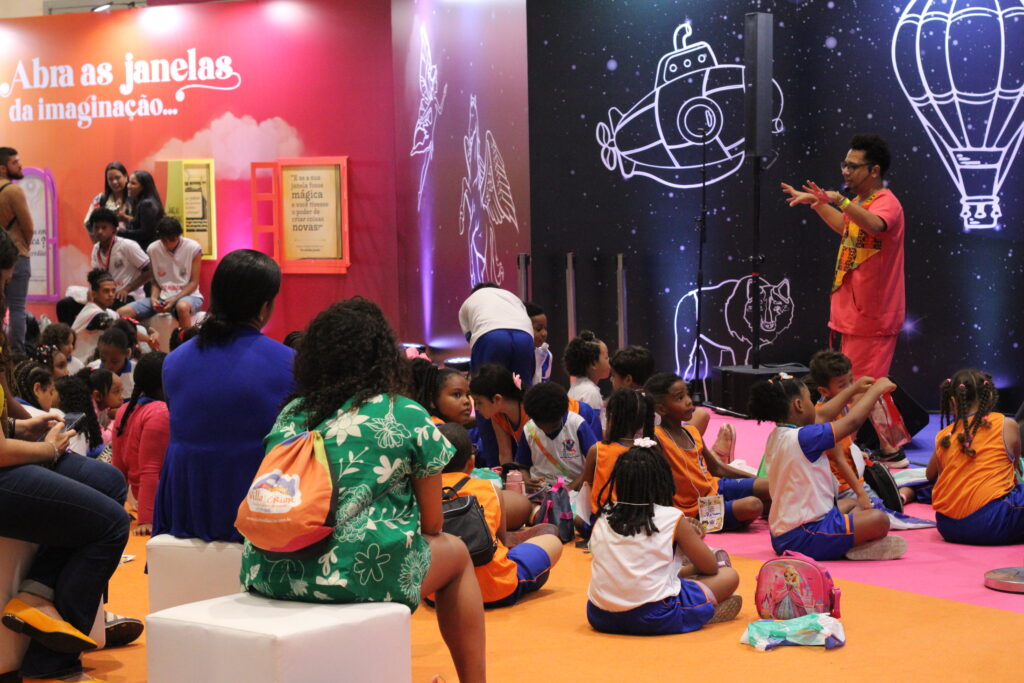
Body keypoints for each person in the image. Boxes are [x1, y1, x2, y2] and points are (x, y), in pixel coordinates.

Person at [240, 297, 486, 683]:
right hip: (353, 573)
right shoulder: (403, 412)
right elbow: (434, 523)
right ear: (384, 356)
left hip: (267, 568)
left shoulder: (294, 411)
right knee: (456, 555)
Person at [0, 222, 131, 683]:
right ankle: (53, 658)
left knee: (110, 482)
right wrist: (43, 448)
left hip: (12, 450)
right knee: (112, 525)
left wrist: (31, 421)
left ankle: (40, 595)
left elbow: (2, 408)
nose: (9, 290)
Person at [781, 133, 907, 466]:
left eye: (853, 166)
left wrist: (841, 200)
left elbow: (877, 226)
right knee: (863, 386)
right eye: (844, 165)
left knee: (857, 386)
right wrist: (819, 203)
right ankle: (891, 449)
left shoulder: (886, 202)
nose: (846, 171)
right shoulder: (860, 202)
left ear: (874, 170)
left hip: (873, 316)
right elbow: (848, 228)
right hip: (850, 313)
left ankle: (867, 450)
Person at [152, 249, 293, 543]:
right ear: (265, 306)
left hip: (185, 510)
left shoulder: (173, 362)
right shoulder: (289, 363)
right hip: (260, 512)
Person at [586, 445, 742, 635]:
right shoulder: (671, 516)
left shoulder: (606, 513)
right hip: (653, 617)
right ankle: (703, 611)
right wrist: (691, 545)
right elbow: (710, 568)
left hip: (600, 615)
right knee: (729, 576)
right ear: (664, 481)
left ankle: (696, 600)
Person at [748, 373, 907, 560]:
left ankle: (849, 541)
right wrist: (876, 390)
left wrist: (853, 390)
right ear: (799, 405)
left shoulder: (780, 434)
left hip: (787, 534)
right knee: (879, 520)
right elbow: (852, 422)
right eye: (809, 400)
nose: (814, 407)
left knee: (852, 503)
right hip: (804, 536)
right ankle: (850, 546)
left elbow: (822, 414)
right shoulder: (805, 437)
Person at [436, 423, 562, 608]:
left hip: (438, 595)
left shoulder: (418, 494)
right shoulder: (489, 488)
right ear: (471, 463)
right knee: (552, 541)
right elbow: (502, 541)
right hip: (496, 590)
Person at [646, 373, 770, 531]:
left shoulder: (691, 431)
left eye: (687, 394)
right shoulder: (656, 438)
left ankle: (739, 512)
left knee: (769, 486)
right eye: (679, 398)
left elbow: (717, 468)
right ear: (662, 409)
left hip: (715, 487)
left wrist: (755, 481)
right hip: (694, 509)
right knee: (753, 505)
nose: (689, 400)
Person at [927, 369, 1023, 545]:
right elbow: (1016, 469)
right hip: (991, 523)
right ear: (991, 397)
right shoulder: (1006, 424)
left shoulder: (944, 435)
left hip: (947, 526)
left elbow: (930, 475)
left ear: (953, 402)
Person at [809, 350, 894, 504]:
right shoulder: (826, 416)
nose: (850, 387)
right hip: (844, 488)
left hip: (854, 480)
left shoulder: (841, 406)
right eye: (842, 385)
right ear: (824, 391)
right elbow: (839, 460)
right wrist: (861, 494)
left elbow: (843, 444)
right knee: (881, 515)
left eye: (851, 381)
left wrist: (855, 451)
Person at [111, 352, 168, 537]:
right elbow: (150, 470)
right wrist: (146, 519)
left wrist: (114, 511)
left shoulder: (123, 410)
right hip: (157, 505)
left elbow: (118, 470)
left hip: (140, 498)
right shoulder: (159, 412)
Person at [580, 388, 655, 519]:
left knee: (576, 518)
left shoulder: (597, 450)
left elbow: (585, 486)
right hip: (639, 519)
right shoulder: (648, 450)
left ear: (610, 418)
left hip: (602, 520)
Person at [118, 216, 203, 330]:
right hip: (163, 298)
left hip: (189, 296)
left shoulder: (193, 248)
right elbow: (156, 282)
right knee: (121, 312)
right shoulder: (153, 249)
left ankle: (184, 344)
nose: (168, 243)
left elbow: (193, 283)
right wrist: (153, 299)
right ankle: (135, 345)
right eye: (164, 240)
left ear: (179, 235)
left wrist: (174, 300)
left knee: (182, 307)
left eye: (172, 239)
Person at [515, 381, 598, 491]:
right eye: (541, 426)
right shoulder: (529, 429)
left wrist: (570, 488)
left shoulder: (577, 425)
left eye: (553, 426)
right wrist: (527, 481)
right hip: (539, 491)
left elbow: (595, 464)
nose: (548, 430)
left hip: (574, 491)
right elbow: (523, 466)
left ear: (562, 414)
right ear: (532, 419)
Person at [458, 282, 535, 382]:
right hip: (524, 337)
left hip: (491, 336)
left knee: (485, 388)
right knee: (522, 389)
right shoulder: (512, 297)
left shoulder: (468, 302)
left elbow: (470, 337)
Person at [0, 147, 33, 354]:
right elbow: (28, 227)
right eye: (14, 162)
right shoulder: (13, 191)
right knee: (17, 309)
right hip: (16, 255)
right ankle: (17, 356)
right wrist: (25, 246)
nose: (20, 165)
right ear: (3, 168)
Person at [89, 207, 150, 308]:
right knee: (66, 303)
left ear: (113, 229)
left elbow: (150, 271)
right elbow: (96, 277)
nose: (99, 231)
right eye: (96, 227)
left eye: (104, 227)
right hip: (107, 296)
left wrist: (127, 289)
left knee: (112, 304)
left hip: (129, 295)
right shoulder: (96, 249)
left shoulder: (127, 245)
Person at [71, 269, 119, 365]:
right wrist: (148, 339)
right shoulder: (92, 312)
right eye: (106, 291)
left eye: (113, 291)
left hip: (93, 362)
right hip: (79, 364)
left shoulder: (112, 313)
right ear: (94, 294)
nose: (111, 295)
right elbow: (120, 329)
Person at [410, 359, 473, 425]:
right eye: (457, 395)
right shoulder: (436, 429)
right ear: (432, 400)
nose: (467, 401)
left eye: (468, 395)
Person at [564, 330, 610, 416]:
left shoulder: (578, 386)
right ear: (593, 363)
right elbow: (592, 428)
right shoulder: (590, 392)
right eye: (606, 357)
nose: (609, 361)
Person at [118, 169, 163, 250]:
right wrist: (125, 217)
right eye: (129, 182)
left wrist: (118, 232)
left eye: (133, 183)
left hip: (147, 251)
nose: (128, 186)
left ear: (143, 187)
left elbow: (145, 233)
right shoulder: (147, 201)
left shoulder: (146, 204)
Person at [84, 161, 131, 238]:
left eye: (117, 178)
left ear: (125, 177)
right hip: (107, 246)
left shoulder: (135, 199)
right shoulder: (100, 199)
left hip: (131, 245)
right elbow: (88, 223)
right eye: (110, 179)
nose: (114, 182)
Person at [88, 327, 135, 400]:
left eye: (114, 361)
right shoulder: (92, 370)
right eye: (103, 360)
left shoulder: (137, 372)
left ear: (127, 353)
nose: (108, 366)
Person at [525, 302, 552, 386]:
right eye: (538, 329)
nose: (544, 334)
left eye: (545, 328)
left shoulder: (547, 355)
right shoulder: (514, 353)